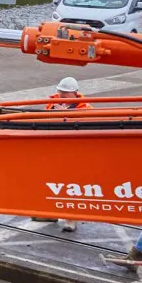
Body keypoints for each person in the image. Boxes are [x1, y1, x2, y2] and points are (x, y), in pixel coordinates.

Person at [44, 77, 89, 232]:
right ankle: (50, 213)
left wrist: (64, 115)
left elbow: (86, 129)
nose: (61, 97)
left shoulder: (86, 109)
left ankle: (71, 219)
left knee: (71, 187)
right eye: (60, 93)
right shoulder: (53, 103)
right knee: (51, 183)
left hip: (74, 153)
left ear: (74, 94)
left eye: (64, 94)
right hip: (55, 150)